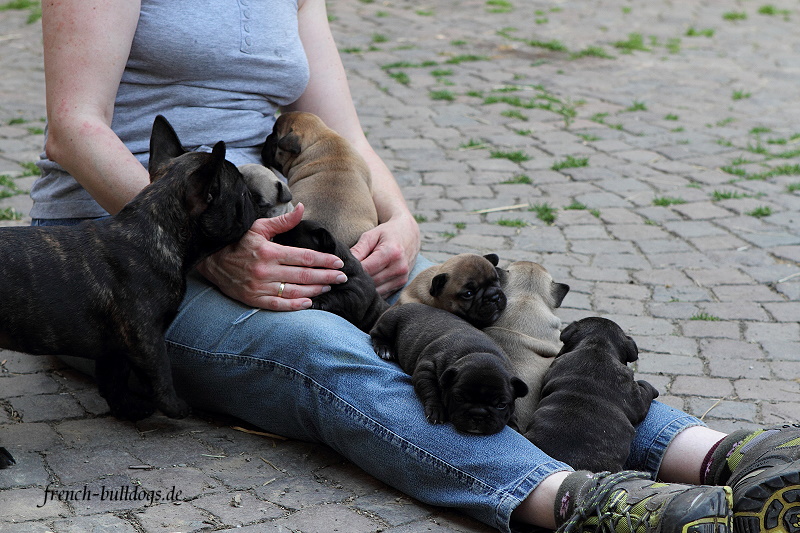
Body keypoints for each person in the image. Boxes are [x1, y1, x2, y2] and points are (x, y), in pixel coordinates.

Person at [32, 1, 800, 532]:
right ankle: (567, 499)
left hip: (280, 222)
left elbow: (347, 136)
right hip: (125, 256)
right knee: (318, 349)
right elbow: (75, 129)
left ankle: (716, 455)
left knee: (482, 327)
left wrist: (400, 221)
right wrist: (216, 256)